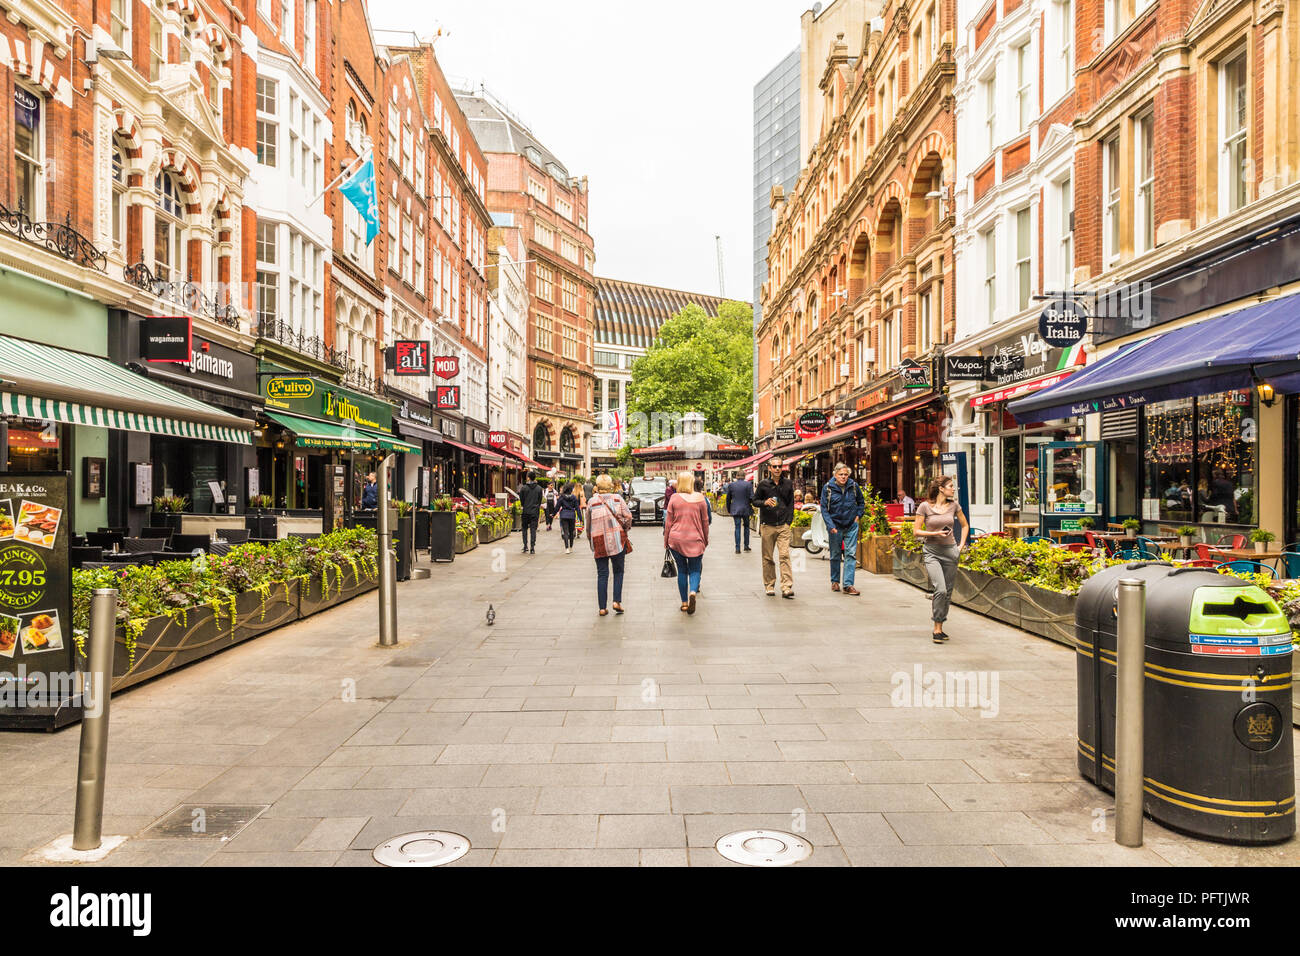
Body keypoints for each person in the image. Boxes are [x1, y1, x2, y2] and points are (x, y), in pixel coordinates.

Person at [913, 475, 970, 643]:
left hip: (950, 552)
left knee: (948, 592)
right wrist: (935, 533)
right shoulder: (925, 507)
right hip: (932, 552)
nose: (953, 489)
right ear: (941, 489)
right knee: (941, 589)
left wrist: (960, 547)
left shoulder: (954, 506)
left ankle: (941, 625)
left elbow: (965, 525)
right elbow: (916, 531)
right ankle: (936, 628)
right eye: (951, 486)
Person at [663, 469, 710, 614]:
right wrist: (705, 539)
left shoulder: (674, 498)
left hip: (676, 540)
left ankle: (684, 603)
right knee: (695, 570)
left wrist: (666, 541)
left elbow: (668, 522)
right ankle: (693, 593)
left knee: (682, 570)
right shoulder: (700, 498)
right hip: (695, 539)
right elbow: (705, 522)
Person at [585, 474, 633, 616]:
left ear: (597, 486)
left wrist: (590, 539)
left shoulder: (591, 502)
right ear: (611, 485)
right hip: (618, 539)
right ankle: (616, 601)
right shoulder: (618, 499)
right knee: (618, 571)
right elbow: (628, 516)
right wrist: (626, 528)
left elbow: (588, 525)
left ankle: (602, 608)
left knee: (602, 573)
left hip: (598, 540)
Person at [820, 462, 864, 596]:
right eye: (841, 475)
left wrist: (858, 515)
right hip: (835, 526)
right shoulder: (828, 488)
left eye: (845, 474)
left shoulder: (854, 486)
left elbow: (861, 502)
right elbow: (824, 508)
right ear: (835, 475)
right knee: (835, 555)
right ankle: (835, 581)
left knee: (851, 554)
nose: (843, 477)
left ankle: (848, 585)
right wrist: (830, 525)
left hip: (851, 525)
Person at [755, 459, 795, 598]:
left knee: (784, 555)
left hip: (783, 525)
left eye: (779, 466)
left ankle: (786, 586)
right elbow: (754, 501)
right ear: (770, 468)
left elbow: (791, 504)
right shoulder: (763, 484)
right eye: (774, 466)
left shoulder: (788, 483)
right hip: (768, 525)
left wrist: (788, 522)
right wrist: (764, 502)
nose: (777, 468)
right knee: (767, 557)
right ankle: (769, 585)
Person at [725, 474, 755, 553]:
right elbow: (752, 497)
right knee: (746, 527)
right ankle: (746, 545)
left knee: (737, 527)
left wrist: (729, 509)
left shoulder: (731, 485)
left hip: (735, 509)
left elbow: (728, 498)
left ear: (737, 476)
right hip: (746, 508)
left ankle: (737, 548)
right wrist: (750, 504)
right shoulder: (748, 484)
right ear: (744, 476)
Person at [517, 472, 543, 554]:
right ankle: (532, 547)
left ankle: (525, 546)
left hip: (526, 511)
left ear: (528, 478)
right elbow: (540, 500)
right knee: (533, 530)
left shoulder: (524, 488)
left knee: (524, 529)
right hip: (535, 511)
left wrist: (525, 505)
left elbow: (521, 500)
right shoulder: (539, 488)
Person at [558, 482, 581, 553]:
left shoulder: (562, 497)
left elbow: (557, 506)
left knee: (565, 532)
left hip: (564, 515)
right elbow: (577, 508)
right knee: (571, 532)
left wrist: (553, 514)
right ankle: (571, 547)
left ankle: (566, 548)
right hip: (571, 515)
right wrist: (580, 518)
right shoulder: (574, 497)